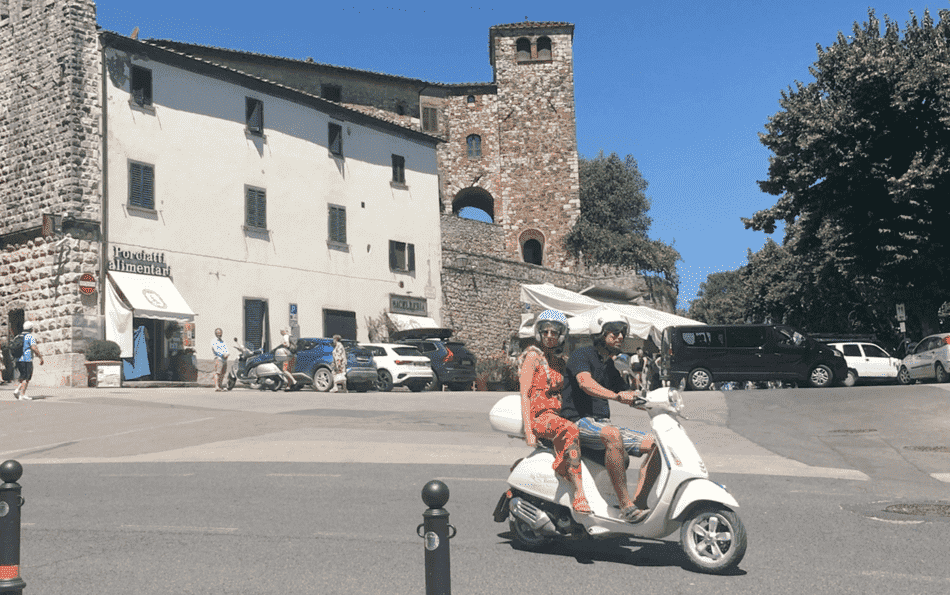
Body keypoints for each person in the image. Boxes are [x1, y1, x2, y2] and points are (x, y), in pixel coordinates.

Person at [559, 310, 659, 523]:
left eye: (622, 332)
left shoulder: (610, 366)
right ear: (599, 333)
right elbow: (586, 384)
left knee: (657, 445)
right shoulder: (581, 356)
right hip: (577, 422)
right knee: (612, 434)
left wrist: (659, 403)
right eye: (613, 332)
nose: (620, 336)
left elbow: (630, 396)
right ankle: (626, 507)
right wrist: (615, 396)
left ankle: (639, 502)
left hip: (601, 424)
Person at [519, 309, 591, 515]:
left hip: (559, 415)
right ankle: (579, 494)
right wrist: (529, 431)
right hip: (541, 417)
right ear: (538, 333)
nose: (550, 336)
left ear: (562, 335)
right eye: (545, 331)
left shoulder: (559, 361)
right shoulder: (532, 357)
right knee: (569, 430)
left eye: (554, 332)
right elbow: (525, 394)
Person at [13, 321, 44, 401]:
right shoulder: (30, 337)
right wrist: (40, 357)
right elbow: (34, 348)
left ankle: (17, 390)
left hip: (18, 359)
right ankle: (22, 395)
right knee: (27, 378)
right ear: (31, 329)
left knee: (22, 376)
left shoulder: (17, 336)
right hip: (27, 359)